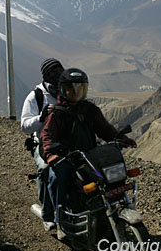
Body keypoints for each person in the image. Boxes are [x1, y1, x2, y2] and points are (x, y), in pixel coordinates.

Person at [40, 68, 136, 240]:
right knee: (57, 178)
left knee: (111, 179)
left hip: (91, 156)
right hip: (68, 157)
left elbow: (105, 129)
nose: (76, 93)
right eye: (71, 89)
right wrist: (52, 154)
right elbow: (46, 137)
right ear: (62, 89)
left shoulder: (90, 109)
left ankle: (114, 212)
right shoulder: (57, 113)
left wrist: (120, 138)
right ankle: (60, 221)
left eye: (80, 88)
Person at [20, 58, 65, 231]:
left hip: (68, 142)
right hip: (43, 144)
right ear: (45, 76)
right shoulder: (36, 96)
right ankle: (48, 215)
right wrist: (40, 118)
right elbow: (24, 126)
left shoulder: (68, 91)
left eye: (59, 71)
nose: (57, 76)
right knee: (46, 169)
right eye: (52, 73)